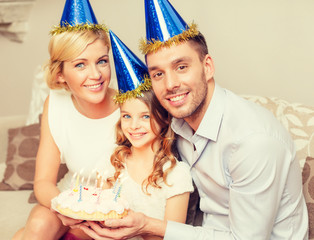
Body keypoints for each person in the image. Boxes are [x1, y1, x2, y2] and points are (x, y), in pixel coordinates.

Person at [77, 0, 309, 239]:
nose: (170, 84)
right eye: (158, 73)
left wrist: (148, 225)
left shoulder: (253, 142)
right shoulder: (175, 122)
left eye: (181, 66)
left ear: (207, 67)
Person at [12, 0, 119, 239]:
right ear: (60, 75)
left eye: (102, 60)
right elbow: (42, 182)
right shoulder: (56, 103)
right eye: (80, 64)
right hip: (71, 202)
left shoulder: (130, 106)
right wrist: (66, 208)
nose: (96, 74)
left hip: (114, 209)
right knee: (38, 224)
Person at [79, 30, 193, 240]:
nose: (134, 126)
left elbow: (174, 235)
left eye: (145, 116)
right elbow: (100, 219)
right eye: (127, 116)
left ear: (165, 118)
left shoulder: (176, 175)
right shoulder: (113, 163)